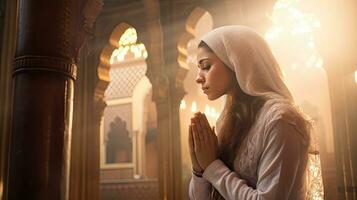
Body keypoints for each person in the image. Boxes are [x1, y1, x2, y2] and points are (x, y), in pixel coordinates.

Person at [188, 25, 311, 200]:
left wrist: (212, 166)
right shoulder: (227, 119)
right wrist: (199, 168)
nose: (198, 77)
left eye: (206, 66)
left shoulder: (280, 120)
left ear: (236, 62)